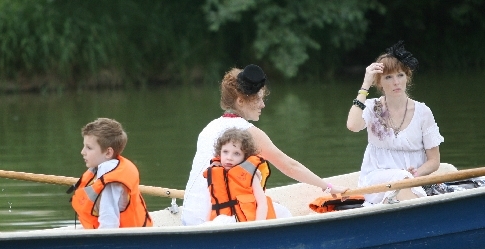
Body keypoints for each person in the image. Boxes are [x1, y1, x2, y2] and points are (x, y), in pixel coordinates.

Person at [182, 64, 347, 226]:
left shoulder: (209, 127)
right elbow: (290, 166)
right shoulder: (247, 132)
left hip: (189, 216)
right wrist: (328, 187)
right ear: (240, 101)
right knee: (283, 213)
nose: (263, 105)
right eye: (258, 99)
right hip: (217, 220)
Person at [346, 40, 444, 205]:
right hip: (376, 180)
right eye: (388, 77)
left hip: (414, 182)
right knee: (401, 178)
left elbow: (434, 161)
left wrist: (417, 174)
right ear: (380, 83)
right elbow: (353, 126)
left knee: (404, 181)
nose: (396, 82)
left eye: (400, 75)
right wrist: (365, 86)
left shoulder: (423, 112)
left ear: (407, 78)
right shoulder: (372, 107)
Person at [69, 118, 153, 229]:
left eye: (89, 148)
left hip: (129, 240)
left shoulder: (111, 180)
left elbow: (109, 222)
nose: (82, 152)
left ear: (108, 152)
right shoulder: (106, 168)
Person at [204, 127, 276, 223]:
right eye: (225, 152)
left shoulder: (250, 175)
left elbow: (262, 202)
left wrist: (258, 225)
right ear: (219, 153)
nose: (229, 158)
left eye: (236, 154)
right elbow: (213, 204)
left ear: (245, 157)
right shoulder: (216, 174)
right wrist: (206, 225)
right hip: (224, 222)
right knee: (219, 221)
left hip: (246, 222)